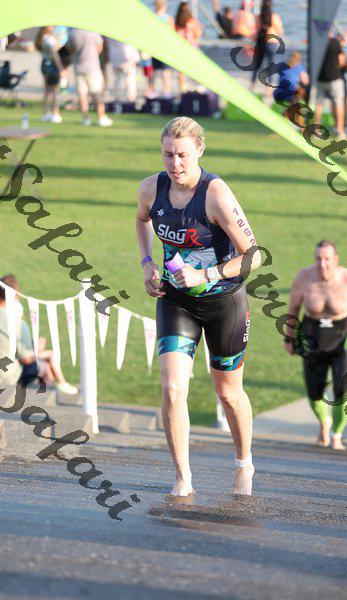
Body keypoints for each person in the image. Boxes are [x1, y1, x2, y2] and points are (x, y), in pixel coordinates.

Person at [136, 117, 261, 496]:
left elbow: (254, 256)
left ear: (199, 152)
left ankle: (244, 462)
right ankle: (183, 477)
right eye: (168, 155)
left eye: (183, 155)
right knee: (172, 388)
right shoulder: (150, 188)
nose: (175, 164)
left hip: (224, 303)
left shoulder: (215, 195)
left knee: (228, 394)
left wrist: (206, 274)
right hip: (176, 301)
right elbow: (141, 220)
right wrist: (147, 262)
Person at [284, 241, 347, 451]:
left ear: (336, 259)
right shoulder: (304, 278)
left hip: (343, 341)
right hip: (313, 339)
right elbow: (293, 309)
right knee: (314, 392)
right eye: (318, 258)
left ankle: (336, 434)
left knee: (342, 390)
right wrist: (289, 339)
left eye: (327, 259)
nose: (322, 264)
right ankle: (324, 422)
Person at [0, 275, 78, 394]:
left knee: (44, 359)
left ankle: (58, 388)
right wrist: (37, 351)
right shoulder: (17, 323)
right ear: (15, 295)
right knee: (44, 366)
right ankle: (51, 397)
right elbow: (26, 360)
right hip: (6, 377)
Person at [67, 28, 113, 127]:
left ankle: (86, 118)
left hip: (78, 67)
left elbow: (69, 49)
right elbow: (99, 49)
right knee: (96, 93)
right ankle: (101, 117)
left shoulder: (73, 33)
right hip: (92, 67)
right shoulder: (93, 32)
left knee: (82, 94)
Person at [314, 32, 346, 140]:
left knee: (319, 105)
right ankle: (340, 131)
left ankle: (316, 130)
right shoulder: (335, 42)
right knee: (338, 104)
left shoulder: (317, 42)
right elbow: (341, 61)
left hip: (320, 78)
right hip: (334, 78)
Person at [250, 0, 283, 94]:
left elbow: (256, 30)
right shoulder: (275, 17)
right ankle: (268, 88)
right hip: (272, 42)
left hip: (261, 43)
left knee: (257, 65)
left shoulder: (259, 17)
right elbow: (280, 31)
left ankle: (252, 85)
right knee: (271, 66)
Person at [34, 26, 64, 124]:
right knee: (55, 90)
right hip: (52, 65)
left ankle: (46, 113)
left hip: (44, 64)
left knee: (47, 91)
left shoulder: (42, 37)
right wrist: (60, 68)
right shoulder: (49, 38)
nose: (53, 27)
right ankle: (55, 114)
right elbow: (54, 53)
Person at [273, 51, 309, 122]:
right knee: (298, 102)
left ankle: (286, 117)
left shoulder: (284, 66)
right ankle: (287, 118)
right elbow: (305, 81)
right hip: (289, 94)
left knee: (297, 101)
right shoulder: (299, 68)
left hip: (280, 93)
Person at [175, 2, 203, 93]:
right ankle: (197, 88)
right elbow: (198, 33)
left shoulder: (177, 22)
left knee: (182, 70)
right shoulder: (193, 21)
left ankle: (182, 89)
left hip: (181, 49)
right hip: (192, 48)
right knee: (196, 68)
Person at [151, 0, 174, 97]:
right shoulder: (168, 18)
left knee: (154, 71)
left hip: (154, 47)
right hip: (165, 47)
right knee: (165, 71)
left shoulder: (152, 16)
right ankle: (166, 92)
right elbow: (172, 34)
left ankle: (152, 91)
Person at [107, 38, 140, 102]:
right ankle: (130, 98)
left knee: (119, 80)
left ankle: (119, 98)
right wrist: (136, 57)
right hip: (126, 57)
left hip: (117, 57)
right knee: (129, 80)